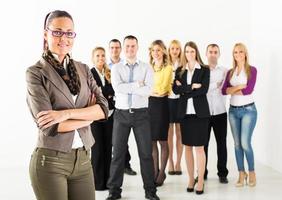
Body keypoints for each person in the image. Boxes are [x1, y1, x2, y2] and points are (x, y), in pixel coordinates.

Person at [26, 10, 108, 200]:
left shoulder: (83, 69)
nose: (64, 38)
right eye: (57, 32)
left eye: (69, 33)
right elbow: (51, 126)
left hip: (83, 160)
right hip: (51, 161)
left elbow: (104, 109)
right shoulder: (36, 73)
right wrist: (88, 115)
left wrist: (65, 114)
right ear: (45, 34)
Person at [106, 35, 159, 200]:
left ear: (137, 47)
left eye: (133, 46)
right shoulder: (116, 68)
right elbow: (118, 88)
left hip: (141, 114)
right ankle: (114, 191)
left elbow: (149, 90)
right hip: (121, 115)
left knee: (145, 154)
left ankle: (150, 191)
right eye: (127, 46)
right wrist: (138, 84)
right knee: (118, 154)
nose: (130, 49)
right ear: (123, 48)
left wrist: (133, 87)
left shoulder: (146, 68)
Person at [173, 41, 210, 195]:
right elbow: (175, 89)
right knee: (187, 147)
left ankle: (200, 180)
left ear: (196, 53)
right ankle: (190, 179)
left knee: (199, 148)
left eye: (192, 51)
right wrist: (191, 87)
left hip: (200, 114)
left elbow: (204, 90)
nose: (189, 54)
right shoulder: (180, 70)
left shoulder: (204, 70)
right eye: (187, 51)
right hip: (185, 114)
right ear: (184, 54)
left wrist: (184, 90)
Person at [222, 43, 257, 187]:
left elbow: (248, 90)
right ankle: (241, 173)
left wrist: (233, 89)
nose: (238, 54)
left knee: (245, 143)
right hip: (233, 111)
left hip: (249, 110)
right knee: (237, 145)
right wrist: (238, 87)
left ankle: (252, 172)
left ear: (245, 53)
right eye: (235, 52)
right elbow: (224, 91)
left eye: (240, 51)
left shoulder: (252, 70)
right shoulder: (230, 72)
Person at [108, 39, 137, 176]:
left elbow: (121, 88)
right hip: (109, 106)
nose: (114, 50)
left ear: (121, 49)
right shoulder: (105, 65)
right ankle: (112, 169)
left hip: (124, 106)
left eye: (117, 48)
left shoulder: (124, 64)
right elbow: (115, 87)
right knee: (114, 141)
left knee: (122, 142)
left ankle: (126, 165)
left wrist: (124, 88)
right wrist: (134, 85)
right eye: (112, 48)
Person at [149, 40, 173, 186]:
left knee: (162, 140)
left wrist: (148, 91)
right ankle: (154, 171)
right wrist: (149, 91)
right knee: (151, 141)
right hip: (149, 106)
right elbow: (143, 85)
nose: (156, 53)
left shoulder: (168, 68)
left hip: (162, 106)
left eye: (158, 50)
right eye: (153, 50)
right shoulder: (148, 68)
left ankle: (162, 172)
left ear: (163, 51)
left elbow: (163, 89)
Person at [90, 47, 115, 191]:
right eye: (98, 55)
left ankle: (107, 181)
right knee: (97, 149)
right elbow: (94, 92)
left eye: (103, 55)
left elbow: (113, 90)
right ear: (93, 58)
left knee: (107, 149)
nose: (101, 58)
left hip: (110, 114)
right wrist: (106, 93)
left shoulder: (109, 73)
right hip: (96, 116)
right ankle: (98, 183)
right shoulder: (90, 73)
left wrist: (103, 92)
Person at [204, 44, 229, 183]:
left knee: (221, 144)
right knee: (203, 144)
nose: (213, 54)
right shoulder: (201, 70)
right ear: (206, 54)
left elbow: (224, 89)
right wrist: (215, 85)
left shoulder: (225, 71)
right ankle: (203, 172)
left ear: (219, 54)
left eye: (215, 52)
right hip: (205, 113)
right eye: (210, 52)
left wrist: (210, 86)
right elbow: (202, 90)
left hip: (220, 112)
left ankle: (222, 173)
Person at [167, 40, 183, 176]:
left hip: (180, 101)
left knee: (179, 132)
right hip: (167, 101)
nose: (175, 51)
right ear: (169, 50)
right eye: (172, 48)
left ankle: (178, 163)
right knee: (168, 133)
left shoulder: (183, 65)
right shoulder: (166, 64)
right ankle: (170, 162)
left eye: (177, 48)